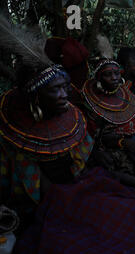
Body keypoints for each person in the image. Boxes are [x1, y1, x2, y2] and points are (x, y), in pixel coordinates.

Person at [0, 16, 94, 235]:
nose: (64, 95)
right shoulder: (10, 135)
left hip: (68, 190)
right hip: (36, 203)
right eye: (55, 90)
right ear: (36, 96)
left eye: (65, 87)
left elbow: (80, 168)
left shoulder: (70, 115)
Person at [81, 59, 135, 196]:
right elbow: (93, 136)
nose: (114, 78)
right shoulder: (89, 103)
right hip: (100, 150)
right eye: (108, 74)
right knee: (109, 166)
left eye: (117, 73)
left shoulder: (125, 97)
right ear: (99, 78)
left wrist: (128, 142)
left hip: (125, 143)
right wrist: (121, 142)